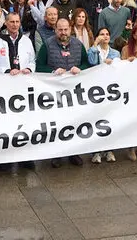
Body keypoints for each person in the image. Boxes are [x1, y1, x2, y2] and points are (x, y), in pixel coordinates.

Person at [35, 17, 89, 167]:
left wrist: (81, 69)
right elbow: (39, 67)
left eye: (66, 29)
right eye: (60, 29)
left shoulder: (78, 44)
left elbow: (86, 63)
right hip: (54, 93)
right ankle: (57, 154)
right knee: (57, 124)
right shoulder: (47, 45)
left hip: (74, 94)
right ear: (55, 30)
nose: (63, 32)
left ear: (70, 30)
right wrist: (52, 71)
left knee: (74, 122)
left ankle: (74, 153)